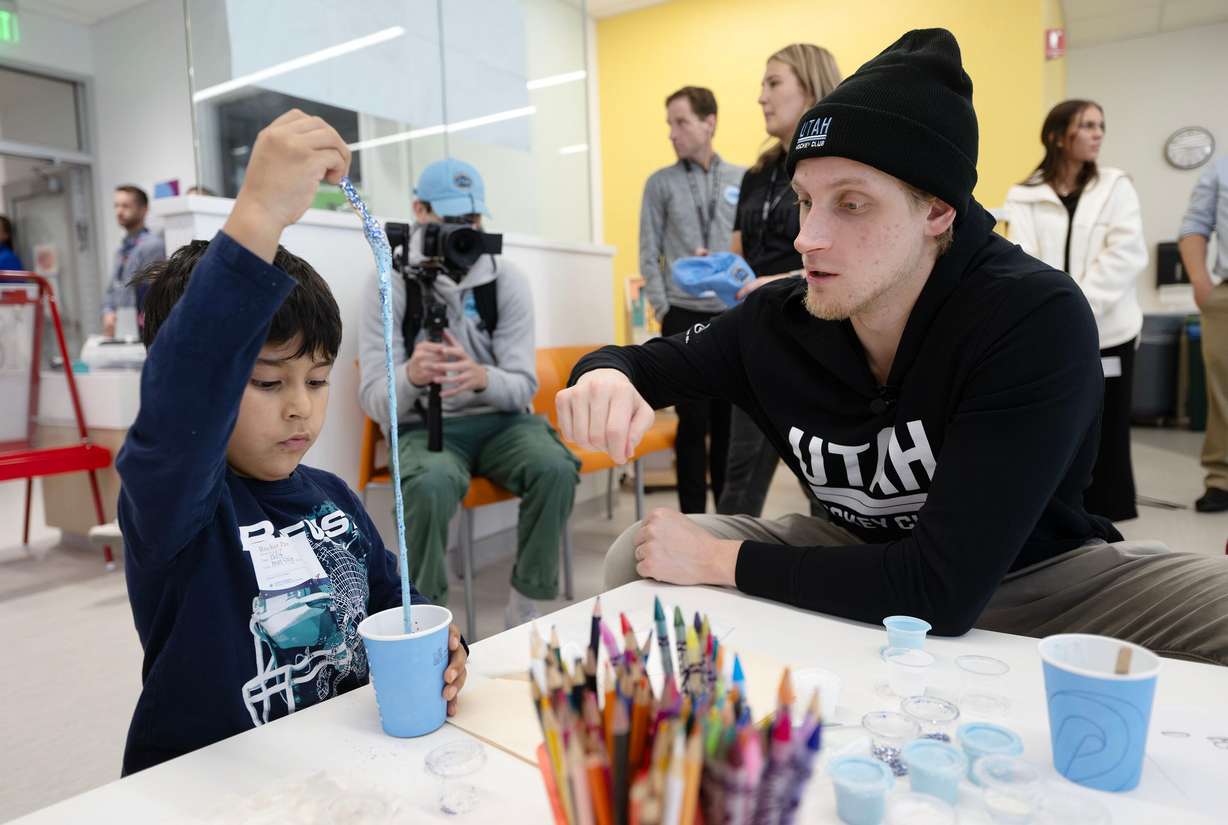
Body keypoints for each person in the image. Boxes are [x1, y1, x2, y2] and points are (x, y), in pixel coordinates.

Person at [557, 29, 1228, 665]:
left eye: (851, 204)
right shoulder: (781, 318)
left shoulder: (1032, 317)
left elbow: (939, 590)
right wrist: (606, 376)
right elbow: (643, 362)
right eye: (805, 199)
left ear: (938, 211)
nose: (808, 237)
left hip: (1036, 571)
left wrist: (719, 563)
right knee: (631, 554)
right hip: (854, 551)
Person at [116, 111, 468, 775]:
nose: (301, 405)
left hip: (336, 774)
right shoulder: (178, 510)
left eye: (317, 378)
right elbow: (185, 396)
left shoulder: (334, 499)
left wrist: (444, 646)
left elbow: (394, 606)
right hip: (209, 789)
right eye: (269, 381)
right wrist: (258, 214)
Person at [357, 158, 580, 630]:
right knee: (430, 484)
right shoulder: (389, 283)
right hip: (427, 426)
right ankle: (426, 615)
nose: (466, 233)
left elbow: (523, 384)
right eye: (453, 220)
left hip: (502, 421)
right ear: (419, 210)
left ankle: (525, 598)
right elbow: (376, 398)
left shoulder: (507, 280)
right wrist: (413, 375)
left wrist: (481, 377)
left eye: (473, 221)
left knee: (555, 466)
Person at [1005, 100, 1147, 522]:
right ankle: (1060, 517)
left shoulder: (1117, 187)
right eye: (1086, 125)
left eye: (1100, 125)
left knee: (1109, 431)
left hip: (1110, 332)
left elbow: (1125, 254)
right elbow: (1024, 257)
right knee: (1055, 426)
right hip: (1048, 334)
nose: (1097, 133)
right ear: (1056, 135)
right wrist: (1055, 313)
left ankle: (1112, 517)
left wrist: (1076, 308)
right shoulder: (1024, 195)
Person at [719, 44, 842, 519]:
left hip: (823, 338)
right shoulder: (757, 175)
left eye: (773, 83)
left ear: (809, 88)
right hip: (760, 335)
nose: (761, 97)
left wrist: (778, 280)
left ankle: (835, 584)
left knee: (828, 484)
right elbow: (738, 255)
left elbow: (849, 253)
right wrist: (722, 270)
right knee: (740, 477)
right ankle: (714, 581)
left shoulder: (840, 166)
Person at [638, 86, 745, 513]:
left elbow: (750, 246)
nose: (672, 132)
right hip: (681, 316)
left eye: (680, 121)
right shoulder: (660, 183)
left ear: (709, 123)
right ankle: (691, 522)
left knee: (728, 425)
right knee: (691, 422)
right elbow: (649, 251)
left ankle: (729, 519)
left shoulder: (742, 178)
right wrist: (665, 308)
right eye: (669, 123)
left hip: (732, 313)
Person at [1180, 155, 1228, 513]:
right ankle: (1222, 479)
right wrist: (1200, 282)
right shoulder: (1220, 166)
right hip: (1225, 294)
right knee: (1222, 389)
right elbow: (1195, 224)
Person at [104, 184, 166, 338]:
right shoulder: (121, 249)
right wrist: (108, 312)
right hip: (123, 329)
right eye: (116, 206)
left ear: (143, 209)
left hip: (142, 331)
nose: (119, 211)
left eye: (126, 206)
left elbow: (150, 295)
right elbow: (112, 288)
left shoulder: (153, 246)